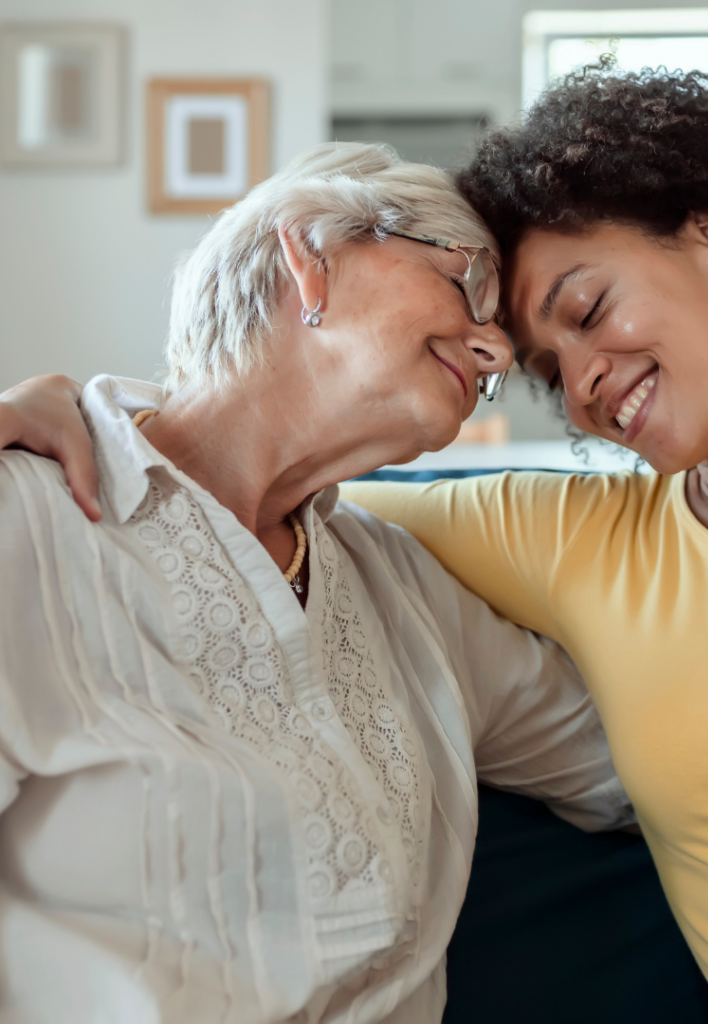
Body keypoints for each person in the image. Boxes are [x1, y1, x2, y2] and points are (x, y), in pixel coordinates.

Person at [7, 68, 708, 1024]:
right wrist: (65, 417)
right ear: (305, 261)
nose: (565, 378)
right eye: (538, 360)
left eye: (583, 310)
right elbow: (221, 477)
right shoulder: (557, 540)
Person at [0, 141, 637, 1024]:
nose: (494, 351)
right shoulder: (26, 520)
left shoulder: (408, 589)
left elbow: (637, 765)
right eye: (468, 290)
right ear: (310, 258)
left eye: (504, 351)